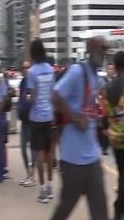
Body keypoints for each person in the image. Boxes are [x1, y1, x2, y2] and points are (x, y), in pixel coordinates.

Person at [51, 36, 109, 220]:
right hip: (73, 160)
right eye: (101, 49)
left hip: (91, 158)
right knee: (65, 209)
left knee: (100, 211)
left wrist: (97, 121)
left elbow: (89, 107)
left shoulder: (94, 76)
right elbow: (55, 95)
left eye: (106, 50)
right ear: (91, 49)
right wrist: (75, 118)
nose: (104, 53)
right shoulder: (77, 71)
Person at [106, 51, 124, 220]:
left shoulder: (108, 86)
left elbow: (106, 111)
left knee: (122, 171)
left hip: (113, 135)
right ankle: (120, 209)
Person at [26, 40, 55, 203]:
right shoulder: (50, 70)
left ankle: (43, 189)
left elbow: (33, 96)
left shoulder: (32, 72)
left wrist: (27, 99)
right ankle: (50, 186)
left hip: (36, 117)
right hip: (49, 115)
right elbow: (52, 94)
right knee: (50, 153)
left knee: (39, 153)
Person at [17, 61, 36, 187]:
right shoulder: (23, 82)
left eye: (27, 67)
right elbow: (21, 98)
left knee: (32, 147)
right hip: (24, 119)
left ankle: (32, 174)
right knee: (23, 147)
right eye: (24, 67)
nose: (25, 69)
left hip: (32, 118)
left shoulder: (33, 82)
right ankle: (28, 174)